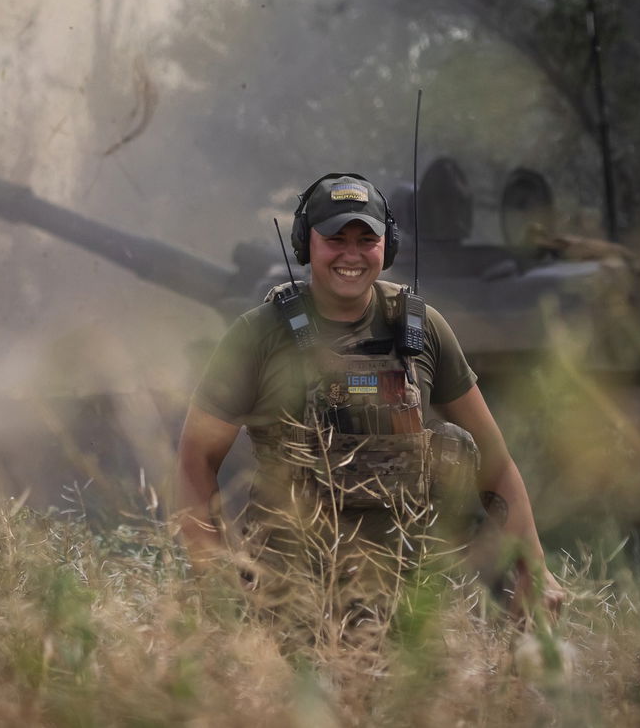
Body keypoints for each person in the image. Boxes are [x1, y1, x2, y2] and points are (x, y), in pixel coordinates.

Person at [176, 172, 563, 627]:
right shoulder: (258, 334)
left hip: (412, 591)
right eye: (336, 239)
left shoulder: (422, 328)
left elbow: (493, 459)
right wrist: (213, 570)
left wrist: (534, 571)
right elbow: (196, 457)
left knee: (454, 444)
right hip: (292, 594)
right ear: (306, 244)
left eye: (366, 239)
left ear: (387, 245)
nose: (352, 255)